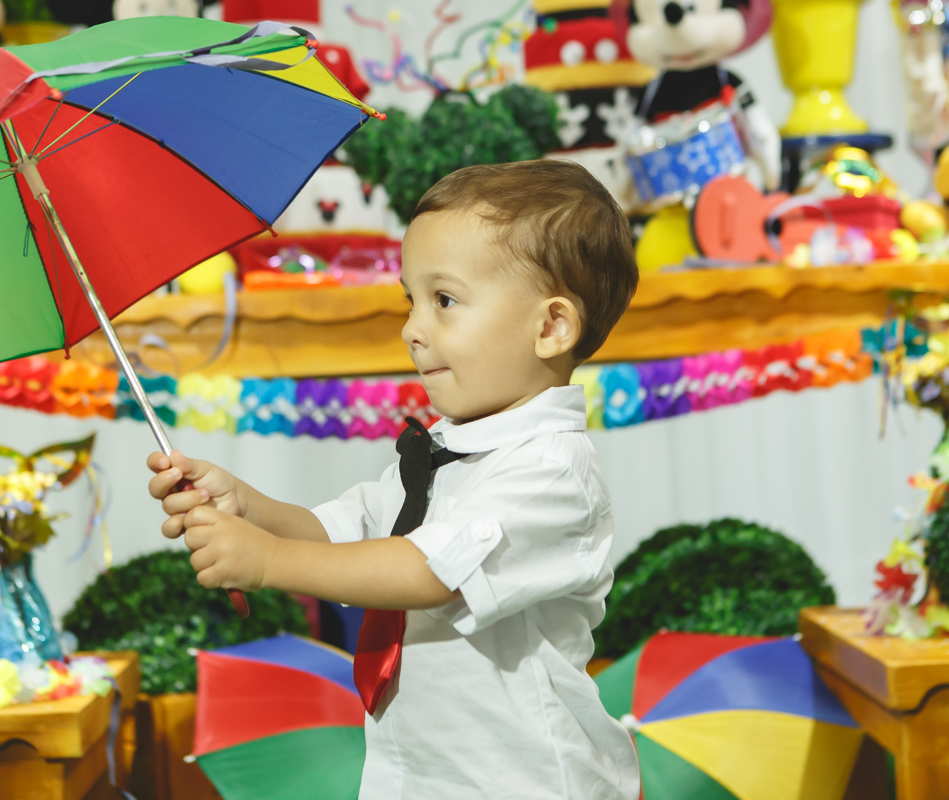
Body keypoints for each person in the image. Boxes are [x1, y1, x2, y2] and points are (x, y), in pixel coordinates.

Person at [148, 159, 641, 799]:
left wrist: (267, 560)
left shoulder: (548, 469)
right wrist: (247, 506)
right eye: (411, 299)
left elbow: (427, 573)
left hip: (524, 781)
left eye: (444, 300)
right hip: (425, 777)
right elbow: (341, 534)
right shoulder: (445, 450)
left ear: (550, 327)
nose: (411, 328)